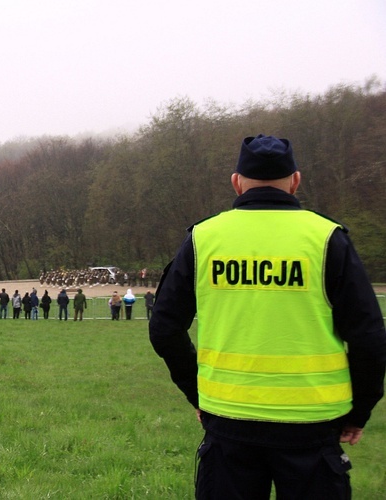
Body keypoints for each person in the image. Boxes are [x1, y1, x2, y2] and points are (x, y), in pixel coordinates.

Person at [149, 134, 386, 499]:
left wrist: (198, 393)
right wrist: (360, 411)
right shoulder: (326, 238)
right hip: (313, 421)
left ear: (236, 182)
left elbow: (164, 329)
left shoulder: (203, 238)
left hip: (229, 420)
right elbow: (370, 336)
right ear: (295, 181)